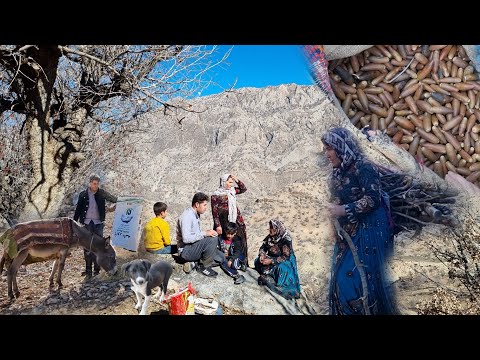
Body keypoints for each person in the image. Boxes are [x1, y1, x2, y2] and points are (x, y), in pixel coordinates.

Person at [322, 127, 396, 315]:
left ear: (341, 147)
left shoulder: (363, 167)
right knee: (340, 279)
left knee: (360, 280)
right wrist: (334, 227)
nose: (326, 153)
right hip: (348, 232)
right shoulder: (336, 174)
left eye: (329, 148)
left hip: (371, 229)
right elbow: (335, 202)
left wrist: (343, 209)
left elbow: (373, 198)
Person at [177, 192, 246, 284]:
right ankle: (204, 266)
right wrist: (205, 233)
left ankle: (195, 264)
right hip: (186, 251)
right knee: (212, 239)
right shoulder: (187, 216)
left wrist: (206, 233)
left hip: (193, 247)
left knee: (221, 257)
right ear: (197, 204)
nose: (206, 207)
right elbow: (186, 239)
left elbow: (196, 234)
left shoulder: (195, 214)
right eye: (204, 205)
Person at [74, 174, 117, 278]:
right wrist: (74, 222)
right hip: (87, 223)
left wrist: (127, 200)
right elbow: (78, 209)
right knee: (87, 246)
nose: (96, 186)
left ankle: (97, 270)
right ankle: (88, 269)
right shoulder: (83, 194)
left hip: (98, 223)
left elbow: (113, 199)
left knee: (99, 246)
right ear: (90, 183)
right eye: (94, 183)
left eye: (97, 184)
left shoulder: (102, 193)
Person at [254, 219, 301, 300]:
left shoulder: (285, 239)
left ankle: (280, 284)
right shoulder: (270, 237)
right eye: (270, 227)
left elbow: (285, 256)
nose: (269, 230)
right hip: (272, 258)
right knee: (257, 261)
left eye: (272, 228)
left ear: (277, 229)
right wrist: (262, 254)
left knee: (282, 268)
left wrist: (271, 261)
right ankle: (270, 277)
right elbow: (263, 247)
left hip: (285, 261)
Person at [211, 174, 249, 265]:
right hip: (223, 222)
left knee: (239, 240)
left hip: (236, 220)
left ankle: (241, 261)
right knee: (224, 241)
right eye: (229, 182)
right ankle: (223, 260)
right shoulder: (216, 195)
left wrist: (237, 179)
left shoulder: (233, 191)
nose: (231, 184)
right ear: (223, 182)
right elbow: (214, 212)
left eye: (232, 182)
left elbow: (243, 189)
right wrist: (218, 225)